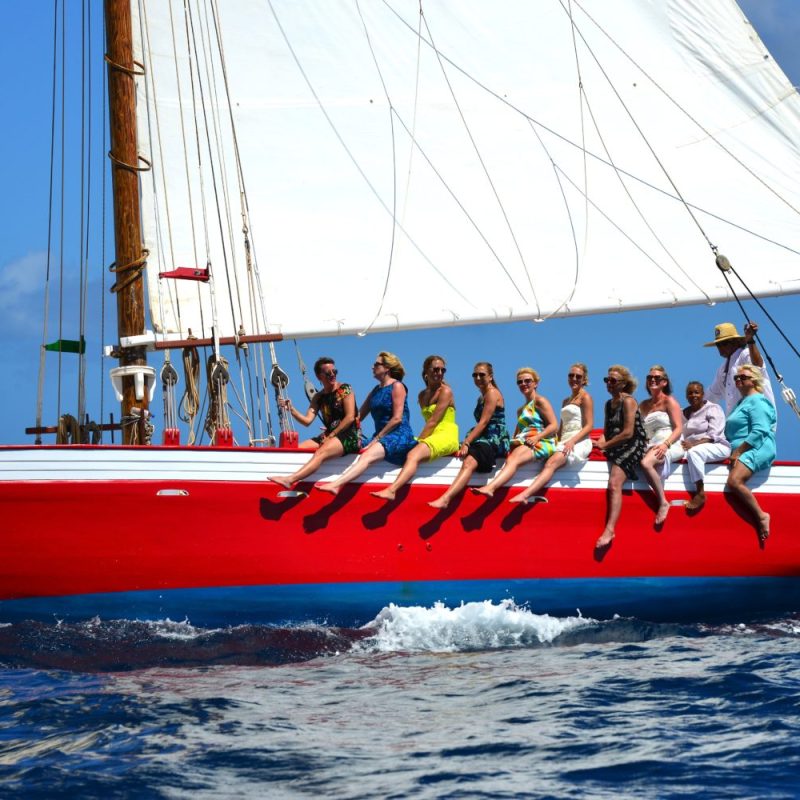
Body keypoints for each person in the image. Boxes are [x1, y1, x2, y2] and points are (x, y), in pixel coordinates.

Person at [316, 352, 416, 495]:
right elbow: (358, 417)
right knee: (348, 446)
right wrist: (335, 427)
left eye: (376, 364)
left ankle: (336, 484)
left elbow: (397, 419)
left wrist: (377, 438)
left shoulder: (397, 386)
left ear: (387, 368)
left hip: (399, 434)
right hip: (381, 436)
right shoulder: (376, 391)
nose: (372, 367)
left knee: (367, 455)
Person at [371, 355, 459, 501]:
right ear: (426, 372)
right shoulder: (422, 395)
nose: (440, 373)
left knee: (413, 454)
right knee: (401, 446)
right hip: (431, 434)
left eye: (443, 370)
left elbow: (433, 421)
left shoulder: (446, 391)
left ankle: (392, 490)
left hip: (445, 433)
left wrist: (419, 442)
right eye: (436, 369)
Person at [267, 357, 360, 488]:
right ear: (319, 377)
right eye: (328, 373)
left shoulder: (345, 389)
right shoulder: (319, 397)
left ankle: (290, 480)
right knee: (294, 450)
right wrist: (291, 409)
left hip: (349, 435)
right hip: (330, 435)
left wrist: (331, 436)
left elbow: (350, 417)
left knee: (320, 452)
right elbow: (307, 421)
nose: (332, 375)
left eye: (334, 371)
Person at [428, 362, 509, 509]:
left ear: (490, 377)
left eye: (481, 374)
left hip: (494, 438)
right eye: (475, 375)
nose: (477, 377)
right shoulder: (481, 397)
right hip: (482, 437)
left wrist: (467, 442)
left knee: (469, 462)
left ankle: (446, 498)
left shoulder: (492, 393)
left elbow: (484, 422)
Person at [510, 363, 594, 504]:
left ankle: (524, 495)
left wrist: (572, 441)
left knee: (551, 463)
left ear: (584, 380)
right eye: (571, 375)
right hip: (563, 441)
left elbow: (589, 425)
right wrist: (556, 440)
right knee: (542, 458)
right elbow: (561, 427)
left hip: (578, 440)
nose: (574, 378)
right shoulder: (565, 401)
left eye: (578, 376)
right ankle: (537, 495)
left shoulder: (585, 397)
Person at [473, 367, 557, 498]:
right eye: (520, 382)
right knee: (506, 454)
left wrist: (537, 437)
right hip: (525, 441)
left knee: (513, 458)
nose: (523, 384)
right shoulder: (520, 410)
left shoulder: (540, 401)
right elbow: (517, 434)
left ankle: (491, 487)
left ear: (536, 383)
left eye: (527, 381)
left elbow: (554, 426)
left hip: (541, 441)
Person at [593, 365, 646, 549]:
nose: (609, 384)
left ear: (623, 384)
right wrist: (599, 442)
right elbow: (607, 431)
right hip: (616, 443)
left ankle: (610, 529)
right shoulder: (608, 404)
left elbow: (628, 433)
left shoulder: (629, 401)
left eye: (613, 381)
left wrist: (605, 445)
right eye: (607, 380)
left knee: (614, 483)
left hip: (633, 443)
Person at [724, 364, 776, 542]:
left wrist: (738, 451)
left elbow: (760, 430)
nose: (738, 380)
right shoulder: (742, 402)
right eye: (736, 378)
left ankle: (762, 515)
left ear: (754, 380)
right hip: (740, 449)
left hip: (756, 447)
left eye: (742, 377)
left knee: (734, 481)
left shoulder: (757, 400)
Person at [638, 365, 684, 526]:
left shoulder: (669, 401)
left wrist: (665, 444)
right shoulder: (643, 405)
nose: (652, 380)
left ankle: (663, 501)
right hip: (649, 443)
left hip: (669, 442)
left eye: (657, 378)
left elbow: (679, 428)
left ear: (664, 382)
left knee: (646, 463)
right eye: (649, 377)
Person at [680, 381, 731, 511]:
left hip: (717, 445)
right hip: (691, 448)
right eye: (690, 393)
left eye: (696, 392)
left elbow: (714, 434)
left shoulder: (713, 408)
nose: (693, 395)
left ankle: (700, 493)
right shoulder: (682, 413)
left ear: (703, 394)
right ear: (686, 397)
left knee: (695, 453)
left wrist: (693, 444)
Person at [705, 321, 775, 413]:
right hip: (738, 423)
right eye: (718, 344)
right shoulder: (722, 370)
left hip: (758, 414)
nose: (720, 347)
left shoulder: (745, 354)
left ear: (736, 342)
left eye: (725, 343)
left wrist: (750, 340)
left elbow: (757, 366)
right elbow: (711, 395)